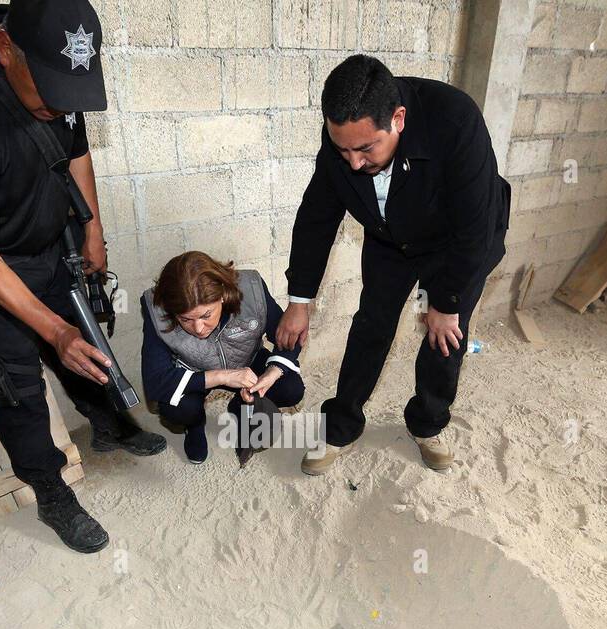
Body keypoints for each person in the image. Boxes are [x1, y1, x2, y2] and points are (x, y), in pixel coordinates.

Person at [0, 0, 165, 555]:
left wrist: (92, 232)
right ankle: (51, 491)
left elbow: (76, 153)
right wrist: (51, 330)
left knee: (88, 344)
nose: (59, 105)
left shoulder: (56, 65)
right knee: (19, 385)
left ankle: (107, 423)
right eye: (49, 93)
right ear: (7, 49)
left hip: (57, 244)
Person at [278, 54, 511, 475]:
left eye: (366, 149)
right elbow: (316, 217)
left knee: (446, 336)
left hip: (456, 240)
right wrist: (299, 299)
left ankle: (428, 423)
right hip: (390, 235)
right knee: (371, 323)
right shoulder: (346, 135)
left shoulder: (455, 119)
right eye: (342, 149)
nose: (353, 162)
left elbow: (474, 227)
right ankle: (342, 425)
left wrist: (446, 301)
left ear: (398, 119)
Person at [141, 252, 304, 464]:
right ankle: (195, 425)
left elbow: (288, 336)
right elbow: (155, 383)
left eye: (206, 315)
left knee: (291, 388)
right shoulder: (157, 306)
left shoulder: (251, 288)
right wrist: (222, 377)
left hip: (247, 359)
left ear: (223, 295)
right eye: (185, 319)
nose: (198, 328)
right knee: (176, 407)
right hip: (193, 369)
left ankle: (240, 405)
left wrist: (272, 373)